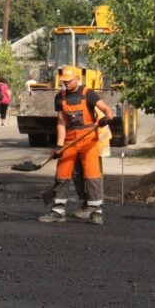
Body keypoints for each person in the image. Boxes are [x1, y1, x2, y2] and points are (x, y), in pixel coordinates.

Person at [38, 65, 114, 225]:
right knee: (62, 173)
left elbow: (107, 110)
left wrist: (106, 118)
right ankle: (58, 211)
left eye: (69, 81)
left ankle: (96, 212)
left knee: (92, 175)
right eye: (64, 81)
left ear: (77, 79)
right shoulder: (60, 97)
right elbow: (61, 122)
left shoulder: (89, 94)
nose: (66, 84)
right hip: (70, 139)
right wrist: (59, 146)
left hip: (89, 139)